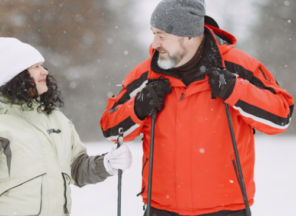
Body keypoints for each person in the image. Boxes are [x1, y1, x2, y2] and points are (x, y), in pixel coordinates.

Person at [100, 0, 294, 215]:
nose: (155, 43)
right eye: (153, 33)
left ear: (190, 37)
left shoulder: (238, 66)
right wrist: (138, 107)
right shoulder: (147, 73)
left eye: (162, 35)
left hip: (227, 207)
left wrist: (236, 91)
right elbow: (109, 126)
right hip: (162, 207)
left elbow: (281, 117)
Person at [0, 37, 132, 216]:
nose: (45, 72)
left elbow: (76, 169)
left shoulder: (55, 119)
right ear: (14, 74)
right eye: (35, 67)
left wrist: (106, 164)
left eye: (43, 65)